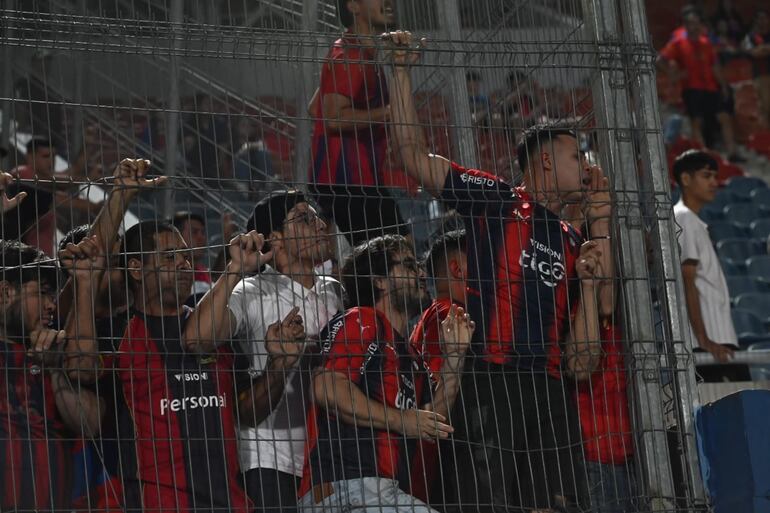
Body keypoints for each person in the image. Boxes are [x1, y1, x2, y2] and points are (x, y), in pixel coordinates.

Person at [387, 30, 611, 512]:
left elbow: (590, 345)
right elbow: (412, 157)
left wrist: (597, 252)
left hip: (550, 393)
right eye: (579, 156)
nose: (588, 166)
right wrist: (401, 71)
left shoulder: (574, 241)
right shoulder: (499, 200)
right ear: (546, 161)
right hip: (490, 382)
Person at [93, 220, 306, 512]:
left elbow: (247, 413)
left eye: (186, 254)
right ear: (136, 269)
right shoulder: (115, 334)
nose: (183, 263)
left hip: (229, 503)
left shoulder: (216, 332)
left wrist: (280, 365)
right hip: (156, 504)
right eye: (169, 256)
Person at [299, 234, 474, 512]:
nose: (419, 272)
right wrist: (400, 420)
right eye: (407, 265)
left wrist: (455, 355)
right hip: (345, 490)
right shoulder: (362, 319)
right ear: (379, 280)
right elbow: (326, 388)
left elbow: (432, 418)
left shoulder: (410, 356)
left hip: (382, 493)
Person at [228, 190, 344, 512]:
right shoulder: (250, 291)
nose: (320, 225)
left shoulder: (334, 291)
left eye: (317, 217)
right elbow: (201, 337)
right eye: (304, 218)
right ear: (275, 240)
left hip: (323, 463)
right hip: (269, 461)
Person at [0, 237, 103, 510]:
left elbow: (88, 423)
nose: (51, 305)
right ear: (5, 294)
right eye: (42, 293)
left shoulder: (57, 355)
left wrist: (54, 369)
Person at [308, 0, 407, 246]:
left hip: (354, 179)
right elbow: (332, 118)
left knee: (390, 255)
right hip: (348, 181)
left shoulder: (359, 52)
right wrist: (390, 112)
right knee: (393, 255)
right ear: (353, 6)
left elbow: (314, 109)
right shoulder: (349, 54)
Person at [672, 150, 748, 381]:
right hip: (709, 342)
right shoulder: (684, 218)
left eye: (715, 176)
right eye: (706, 176)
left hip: (718, 338)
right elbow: (688, 280)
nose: (714, 183)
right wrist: (704, 340)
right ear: (686, 179)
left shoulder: (692, 220)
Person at [407, 230, 468, 504]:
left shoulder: (435, 312)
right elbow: (438, 393)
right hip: (442, 461)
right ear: (457, 268)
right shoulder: (449, 314)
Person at [659, 10, 743, 162]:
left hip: (710, 86)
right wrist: (674, 75)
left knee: (723, 117)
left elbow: (715, 65)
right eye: (691, 23)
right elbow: (660, 59)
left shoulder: (706, 43)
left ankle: (732, 152)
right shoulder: (678, 44)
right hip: (692, 87)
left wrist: (723, 85)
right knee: (696, 121)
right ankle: (703, 153)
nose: (694, 26)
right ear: (686, 26)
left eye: (697, 23)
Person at [6, 137, 100, 256]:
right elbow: (58, 189)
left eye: (53, 156)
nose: (51, 161)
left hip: (41, 256)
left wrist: (87, 143)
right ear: (30, 156)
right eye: (46, 156)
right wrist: (90, 184)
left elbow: (73, 171)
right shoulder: (22, 173)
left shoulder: (46, 178)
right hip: (25, 256)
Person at [742, 10, 770, 126]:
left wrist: (763, 49)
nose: (763, 21)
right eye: (760, 19)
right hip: (761, 75)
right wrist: (765, 49)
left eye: (765, 18)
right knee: (765, 107)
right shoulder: (751, 36)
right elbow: (754, 53)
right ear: (756, 21)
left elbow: (760, 51)